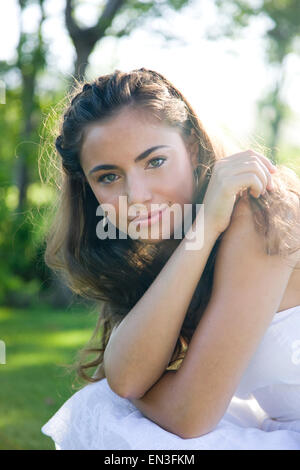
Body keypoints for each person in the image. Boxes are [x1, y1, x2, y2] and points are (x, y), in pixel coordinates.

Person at [41, 68, 300, 450]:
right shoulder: (178, 241)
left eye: (155, 161)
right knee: (100, 406)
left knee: (108, 413)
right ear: (88, 189)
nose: (137, 195)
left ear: (192, 147)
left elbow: (187, 415)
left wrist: (140, 387)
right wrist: (205, 228)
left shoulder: (258, 210)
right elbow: (128, 378)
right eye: (109, 177)